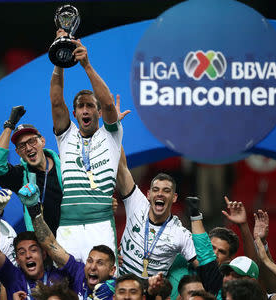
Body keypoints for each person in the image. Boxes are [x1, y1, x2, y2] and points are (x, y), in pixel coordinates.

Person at [49, 28, 127, 261]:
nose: (85, 109)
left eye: (90, 105)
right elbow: (55, 100)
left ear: (99, 112)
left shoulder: (111, 135)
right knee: (67, 289)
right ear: (74, 113)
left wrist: (87, 66)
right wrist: (59, 58)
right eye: (81, 106)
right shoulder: (66, 135)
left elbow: (109, 103)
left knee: (103, 285)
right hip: (68, 225)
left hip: (100, 224)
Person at [16, 183, 118, 299]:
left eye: (100, 263)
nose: (92, 267)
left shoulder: (117, 292)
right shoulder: (79, 273)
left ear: (112, 270)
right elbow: (51, 245)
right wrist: (34, 210)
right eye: (89, 261)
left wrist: (118, 286)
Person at [116, 148, 197, 278]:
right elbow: (122, 168)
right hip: (120, 286)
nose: (160, 193)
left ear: (174, 197)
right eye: (156, 189)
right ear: (148, 194)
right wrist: (114, 129)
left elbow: (206, 269)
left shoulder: (180, 234)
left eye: (166, 190)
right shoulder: (137, 203)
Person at [0, 105, 63, 236]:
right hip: (42, 245)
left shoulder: (65, 164)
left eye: (32, 141)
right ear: (17, 152)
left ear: (42, 141)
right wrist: (9, 126)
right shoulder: (20, 175)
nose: (28, 148)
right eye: (22, 146)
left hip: (73, 237)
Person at [0, 189, 70, 300]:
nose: (28, 255)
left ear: (44, 255)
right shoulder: (13, 277)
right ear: (17, 260)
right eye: (22, 252)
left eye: (33, 250)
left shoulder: (59, 278)